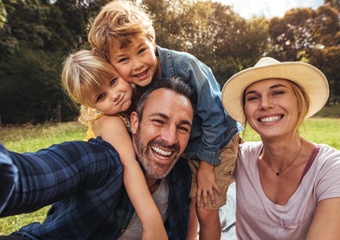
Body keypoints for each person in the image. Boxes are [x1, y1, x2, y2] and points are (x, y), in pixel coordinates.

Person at [87, 1, 243, 239]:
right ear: (111, 64)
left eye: (141, 51)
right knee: (187, 200)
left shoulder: (185, 66)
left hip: (218, 142)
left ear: (152, 40)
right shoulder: (129, 87)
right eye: (123, 59)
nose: (137, 64)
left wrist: (207, 167)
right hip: (183, 146)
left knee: (205, 205)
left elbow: (216, 116)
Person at [0, 77, 195, 240]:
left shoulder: (182, 177)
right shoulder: (101, 161)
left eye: (182, 128)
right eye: (158, 121)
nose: (170, 139)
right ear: (135, 122)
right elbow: (32, 177)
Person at [221, 57, 340, 239]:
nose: (264, 104)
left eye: (277, 92)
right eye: (253, 97)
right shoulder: (240, 158)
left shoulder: (330, 168)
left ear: (300, 102)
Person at [61, 49, 167, 239]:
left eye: (113, 81)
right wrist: (152, 223)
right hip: (98, 201)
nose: (114, 95)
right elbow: (129, 165)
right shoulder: (109, 121)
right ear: (90, 105)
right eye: (100, 97)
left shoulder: (138, 98)